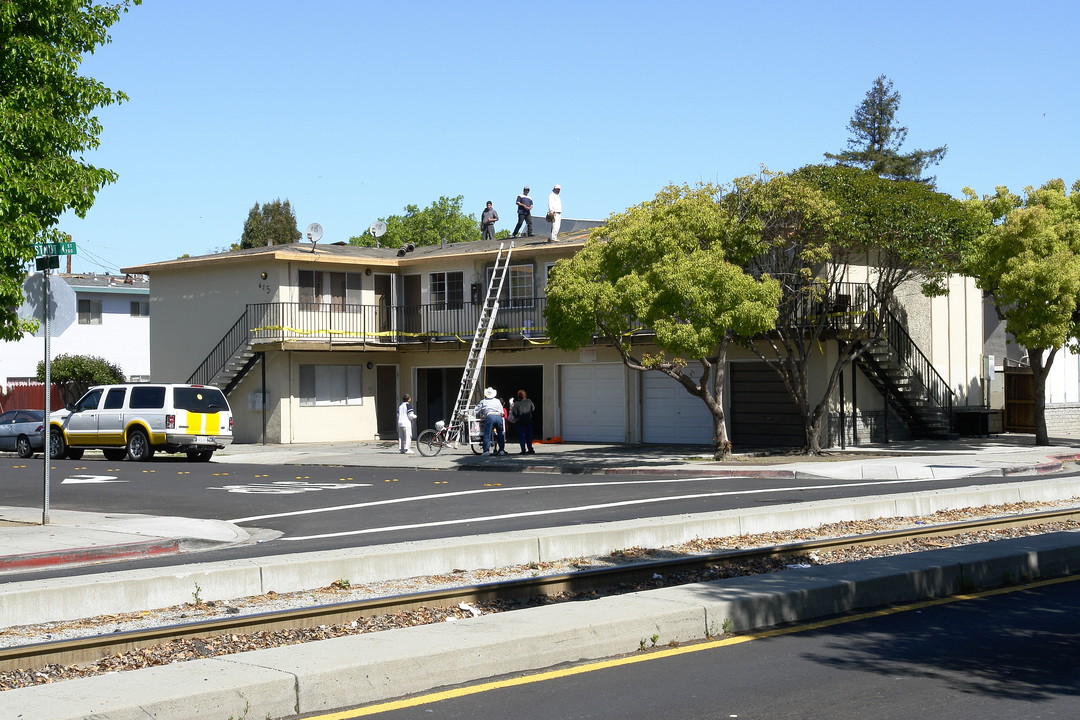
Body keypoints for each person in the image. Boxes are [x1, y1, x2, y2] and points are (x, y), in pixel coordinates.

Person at [475, 387, 506, 455]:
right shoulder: (497, 401)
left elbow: (476, 410)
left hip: (490, 416)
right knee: (500, 434)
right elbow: (502, 411)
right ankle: (501, 450)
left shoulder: (483, 401)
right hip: (498, 416)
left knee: (487, 434)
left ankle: (486, 451)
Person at [509, 388, 536, 454]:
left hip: (520, 421)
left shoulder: (517, 404)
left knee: (522, 436)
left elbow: (514, 413)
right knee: (529, 435)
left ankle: (523, 450)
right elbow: (533, 409)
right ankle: (530, 449)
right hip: (528, 420)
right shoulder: (529, 401)